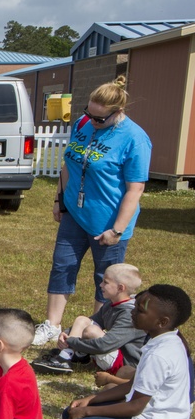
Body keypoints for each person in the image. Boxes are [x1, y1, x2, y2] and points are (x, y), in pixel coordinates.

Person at [34, 76, 153, 346]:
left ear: (118, 112)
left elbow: (135, 189)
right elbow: (68, 166)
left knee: (106, 278)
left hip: (109, 222)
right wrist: (59, 201)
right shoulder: (83, 123)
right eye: (89, 113)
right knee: (62, 266)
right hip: (75, 214)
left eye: (100, 118)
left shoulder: (135, 138)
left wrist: (117, 230)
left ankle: (95, 329)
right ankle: (52, 325)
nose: (92, 121)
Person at [55, 285, 193, 419]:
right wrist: (91, 399)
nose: (132, 312)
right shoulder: (166, 337)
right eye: (135, 306)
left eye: (140, 310)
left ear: (162, 321)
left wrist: (88, 411)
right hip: (148, 411)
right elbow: (133, 385)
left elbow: (135, 408)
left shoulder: (159, 355)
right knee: (69, 413)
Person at [32, 263, 146, 375]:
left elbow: (105, 345)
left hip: (125, 365)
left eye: (105, 282)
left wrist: (71, 341)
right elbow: (90, 321)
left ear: (121, 288)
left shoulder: (130, 314)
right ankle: (67, 356)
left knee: (91, 331)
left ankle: (69, 355)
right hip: (113, 353)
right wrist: (66, 333)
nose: (100, 285)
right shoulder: (111, 303)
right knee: (82, 320)